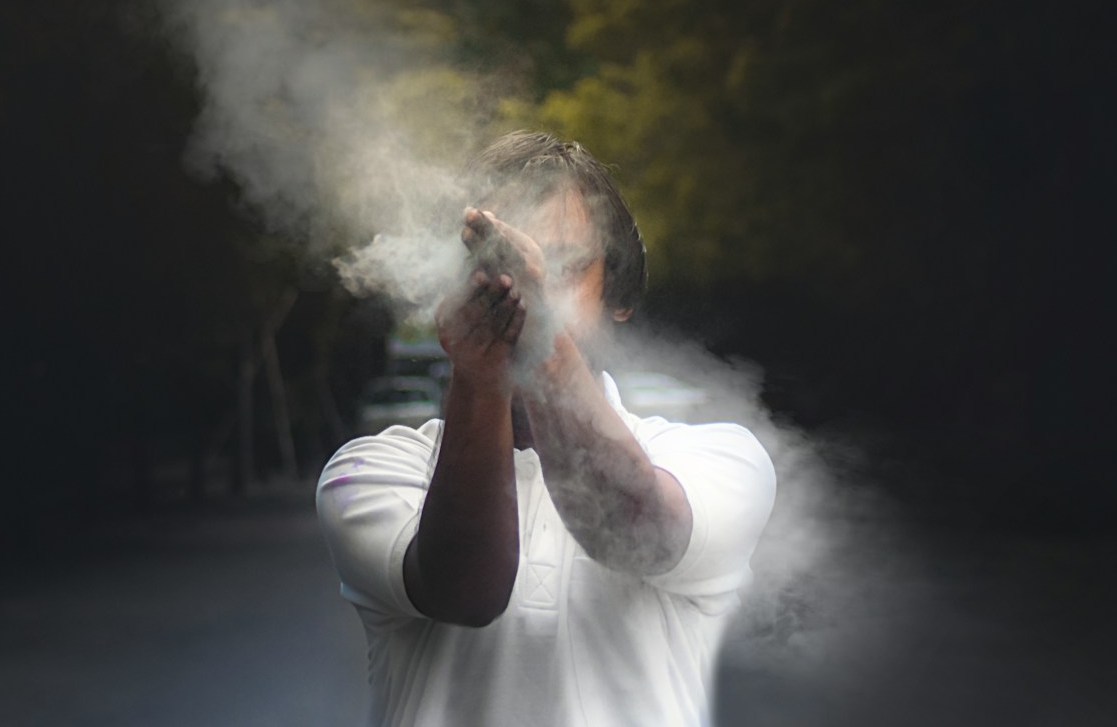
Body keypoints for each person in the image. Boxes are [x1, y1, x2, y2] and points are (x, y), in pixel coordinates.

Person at [316, 132, 775, 726]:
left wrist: (541, 342)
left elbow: (637, 532)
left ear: (619, 291)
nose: (523, 288)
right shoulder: (373, 470)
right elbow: (463, 592)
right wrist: (482, 379)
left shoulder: (713, 457)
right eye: (495, 268)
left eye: (560, 265)